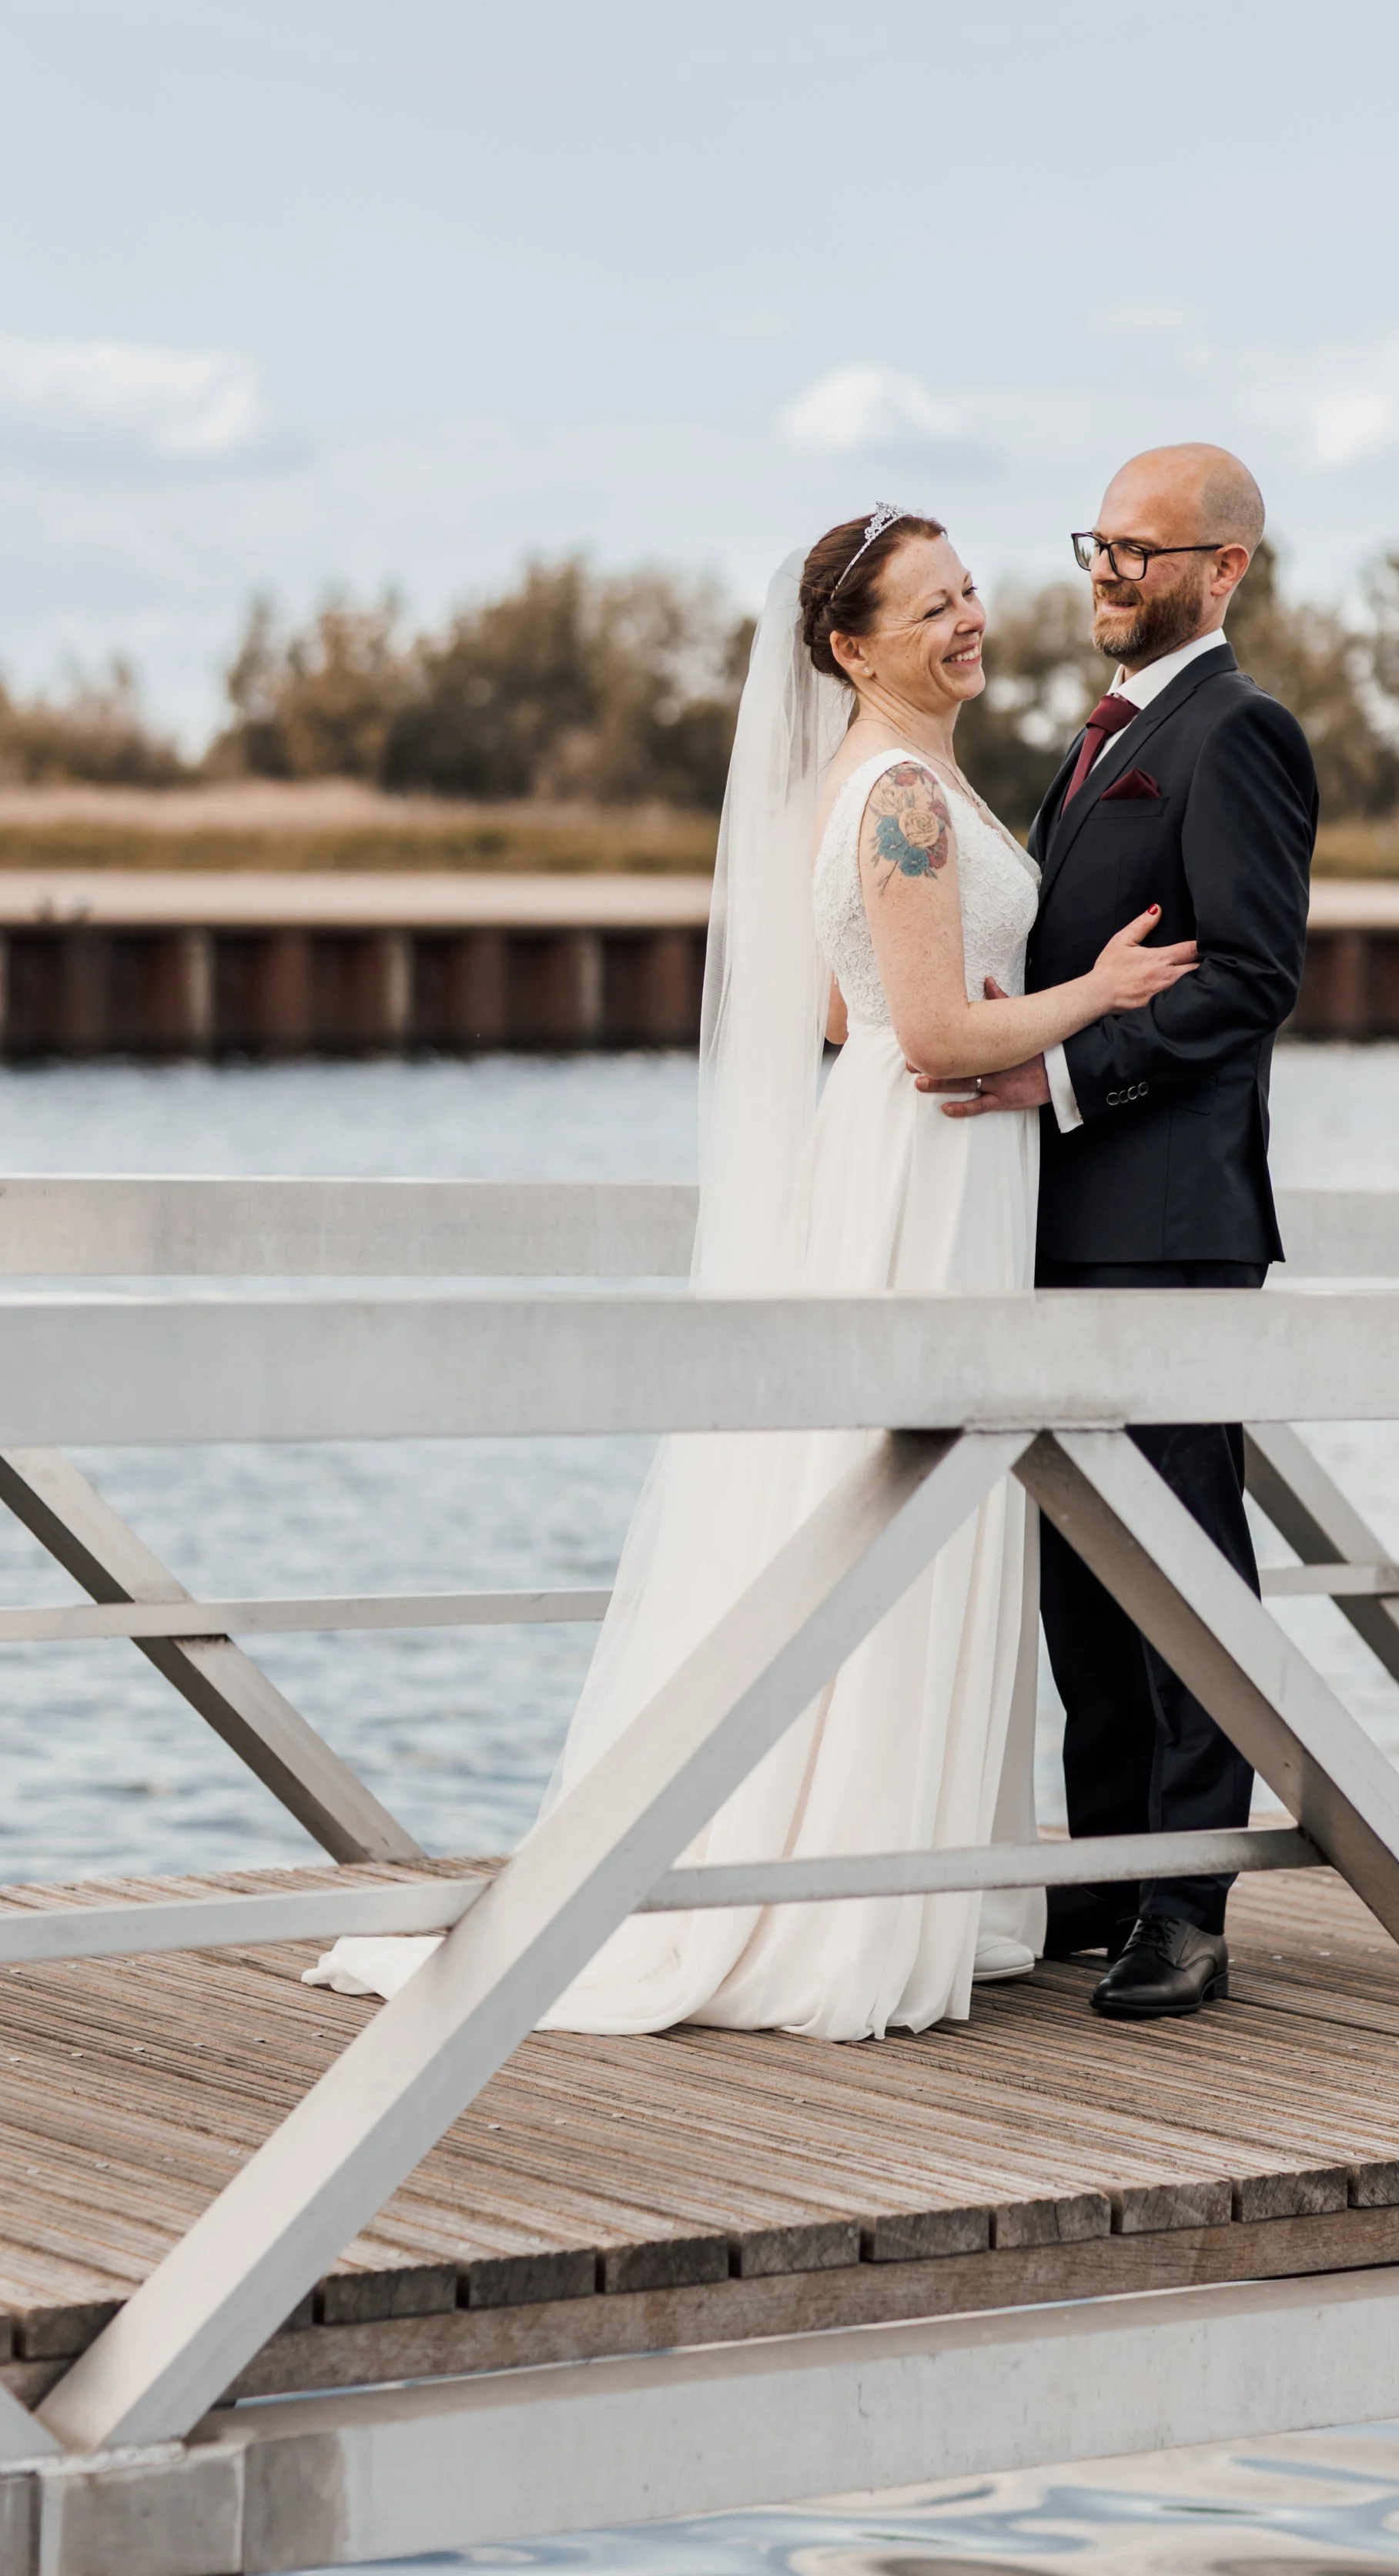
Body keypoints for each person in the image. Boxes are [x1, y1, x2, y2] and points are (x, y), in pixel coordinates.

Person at [304, 506, 1193, 2041]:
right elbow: (921, 1038)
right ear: (847, 648)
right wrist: (1090, 994)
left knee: (885, 1498)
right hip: (921, 1177)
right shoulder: (901, 791)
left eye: (970, 589)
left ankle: (889, 1865)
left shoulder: (873, 783)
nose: (968, 618)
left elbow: (848, 1017)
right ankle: (834, 1883)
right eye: (929, 606)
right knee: (884, 1496)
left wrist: (976, 1009)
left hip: (917, 1165)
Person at [920, 445, 1318, 2019]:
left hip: (1165, 1221)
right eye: (1096, 543)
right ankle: (1098, 1876)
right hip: (1050, 1218)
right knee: (1077, 1573)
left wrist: (1061, 1069)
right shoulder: (1093, 740)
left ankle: (1184, 1903)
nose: (1104, 572)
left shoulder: (1238, 733)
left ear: (1220, 571)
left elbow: (1246, 979)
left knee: (1178, 1566)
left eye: (1140, 551)